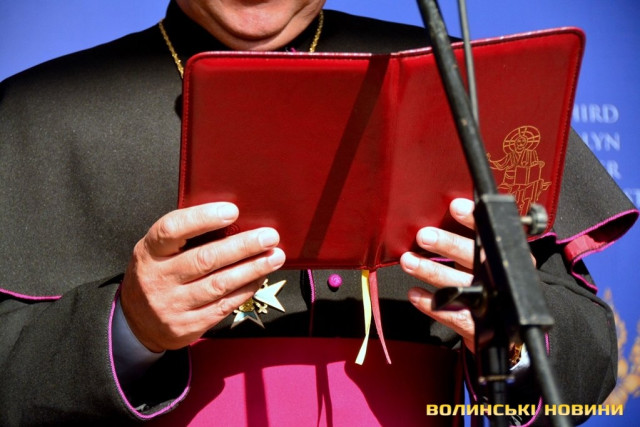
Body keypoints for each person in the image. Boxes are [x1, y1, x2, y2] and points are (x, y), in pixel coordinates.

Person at [0, 0, 636, 425]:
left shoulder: (463, 79)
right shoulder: (41, 108)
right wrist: (129, 330)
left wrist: (514, 338)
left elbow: (583, 362)